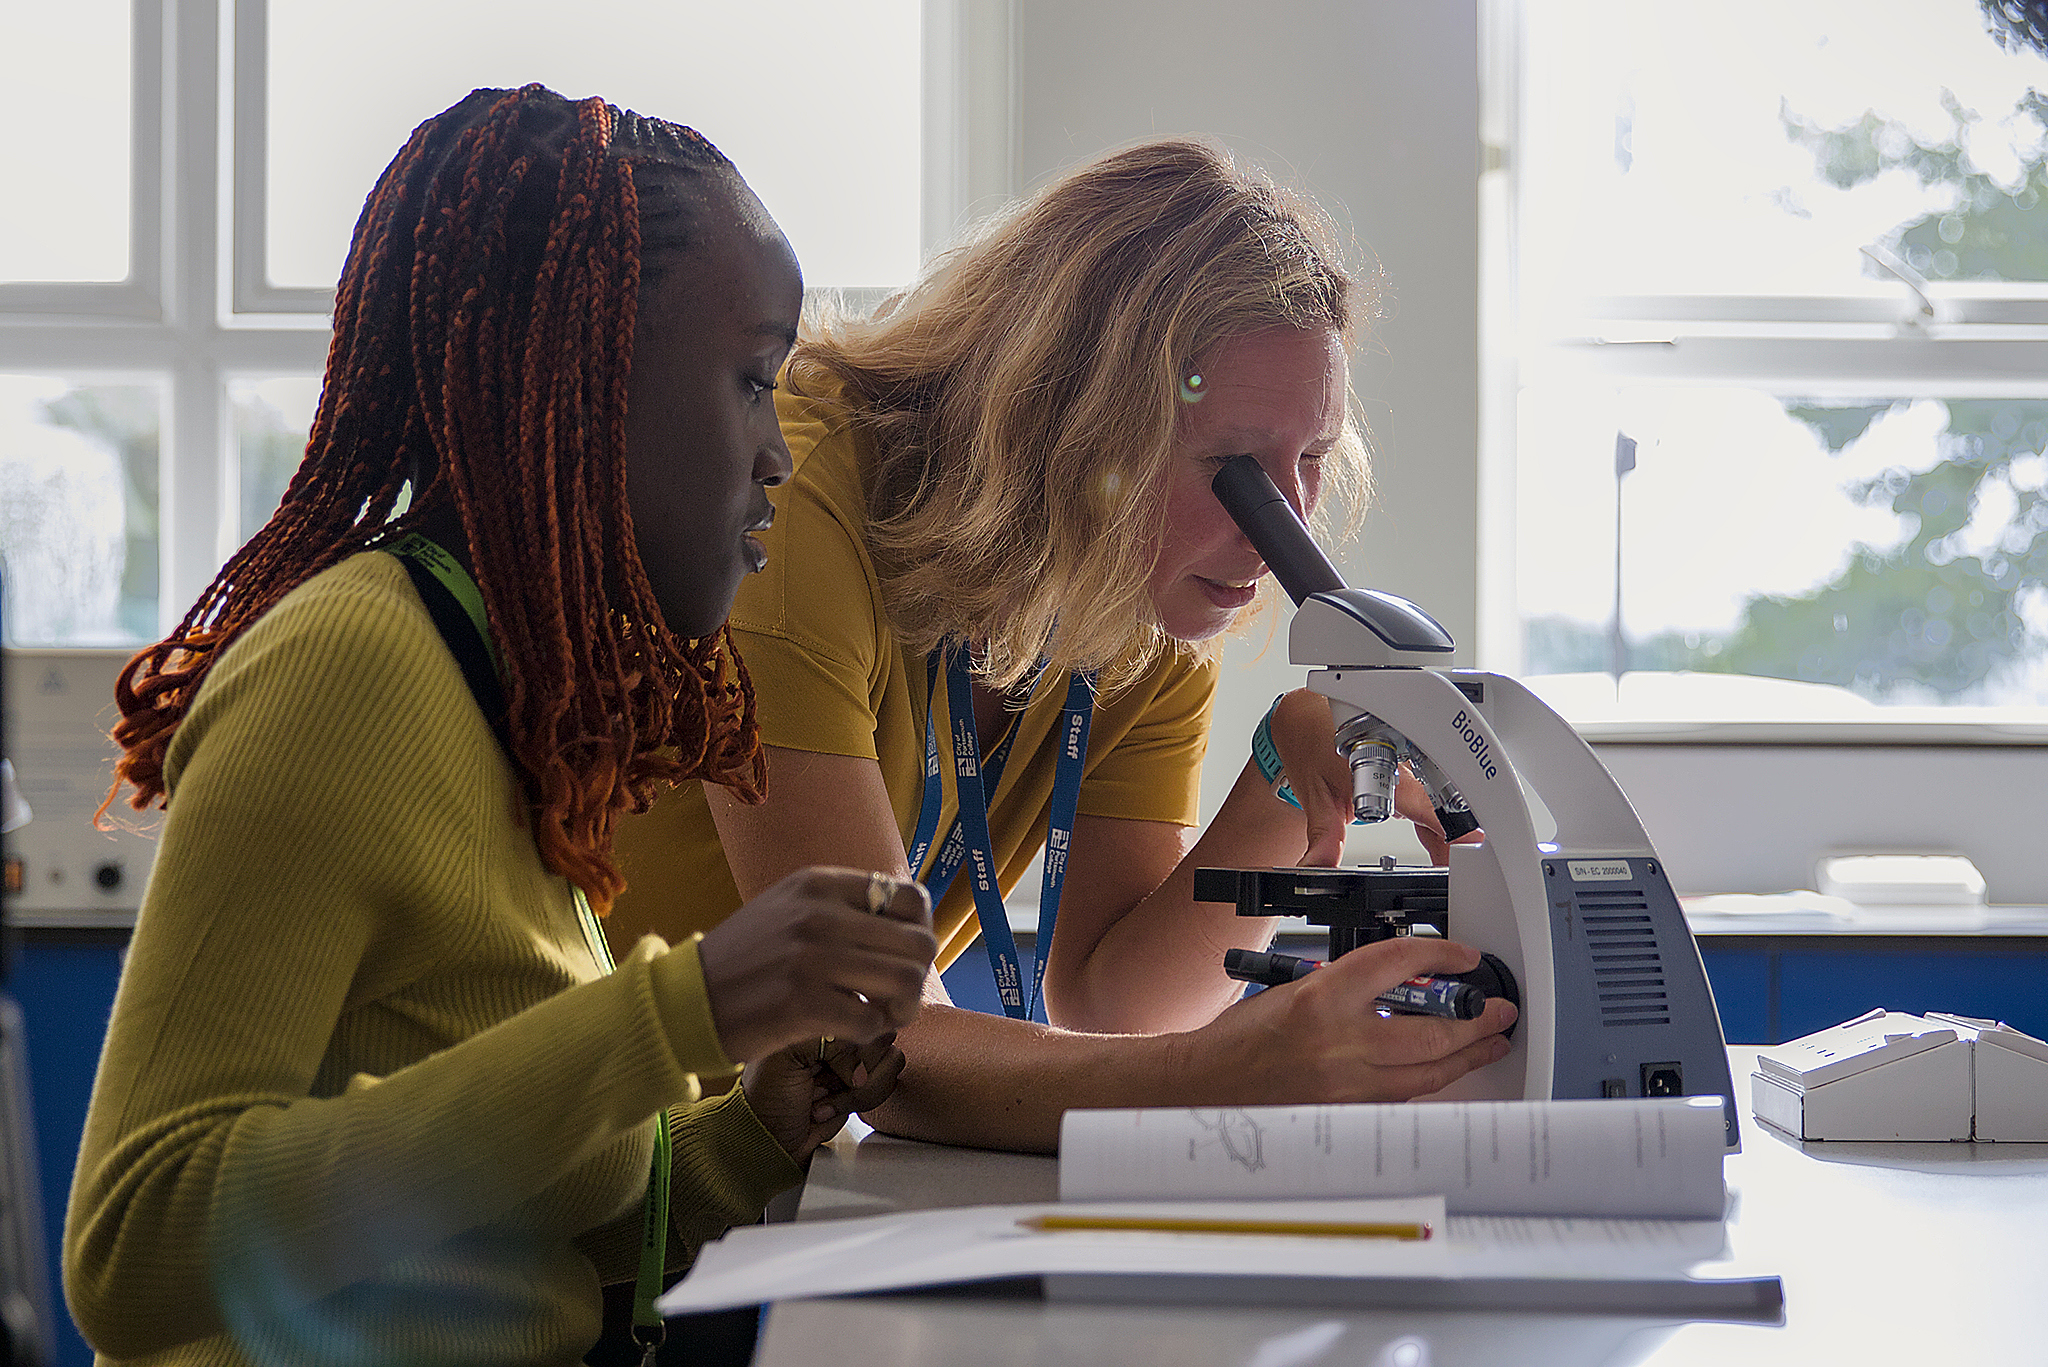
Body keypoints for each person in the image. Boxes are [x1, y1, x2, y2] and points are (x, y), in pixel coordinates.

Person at [62, 85, 936, 1367]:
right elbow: (136, 1245)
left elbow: (508, 1230)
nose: (778, 456)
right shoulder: (344, 672)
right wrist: (677, 1014)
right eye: (752, 382)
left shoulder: (512, 700)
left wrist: (747, 1131)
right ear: (582, 384)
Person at [604, 139, 1516, 1154]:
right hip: (599, 1145)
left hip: (759, 1147)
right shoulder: (795, 505)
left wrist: (1286, 778)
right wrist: (1246, 1064)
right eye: (1231, 464)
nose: (1282, 531)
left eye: (1311, 456)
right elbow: (868, 1038)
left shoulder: (1142, 588)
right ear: (1072, 419)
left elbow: (1116, 999)